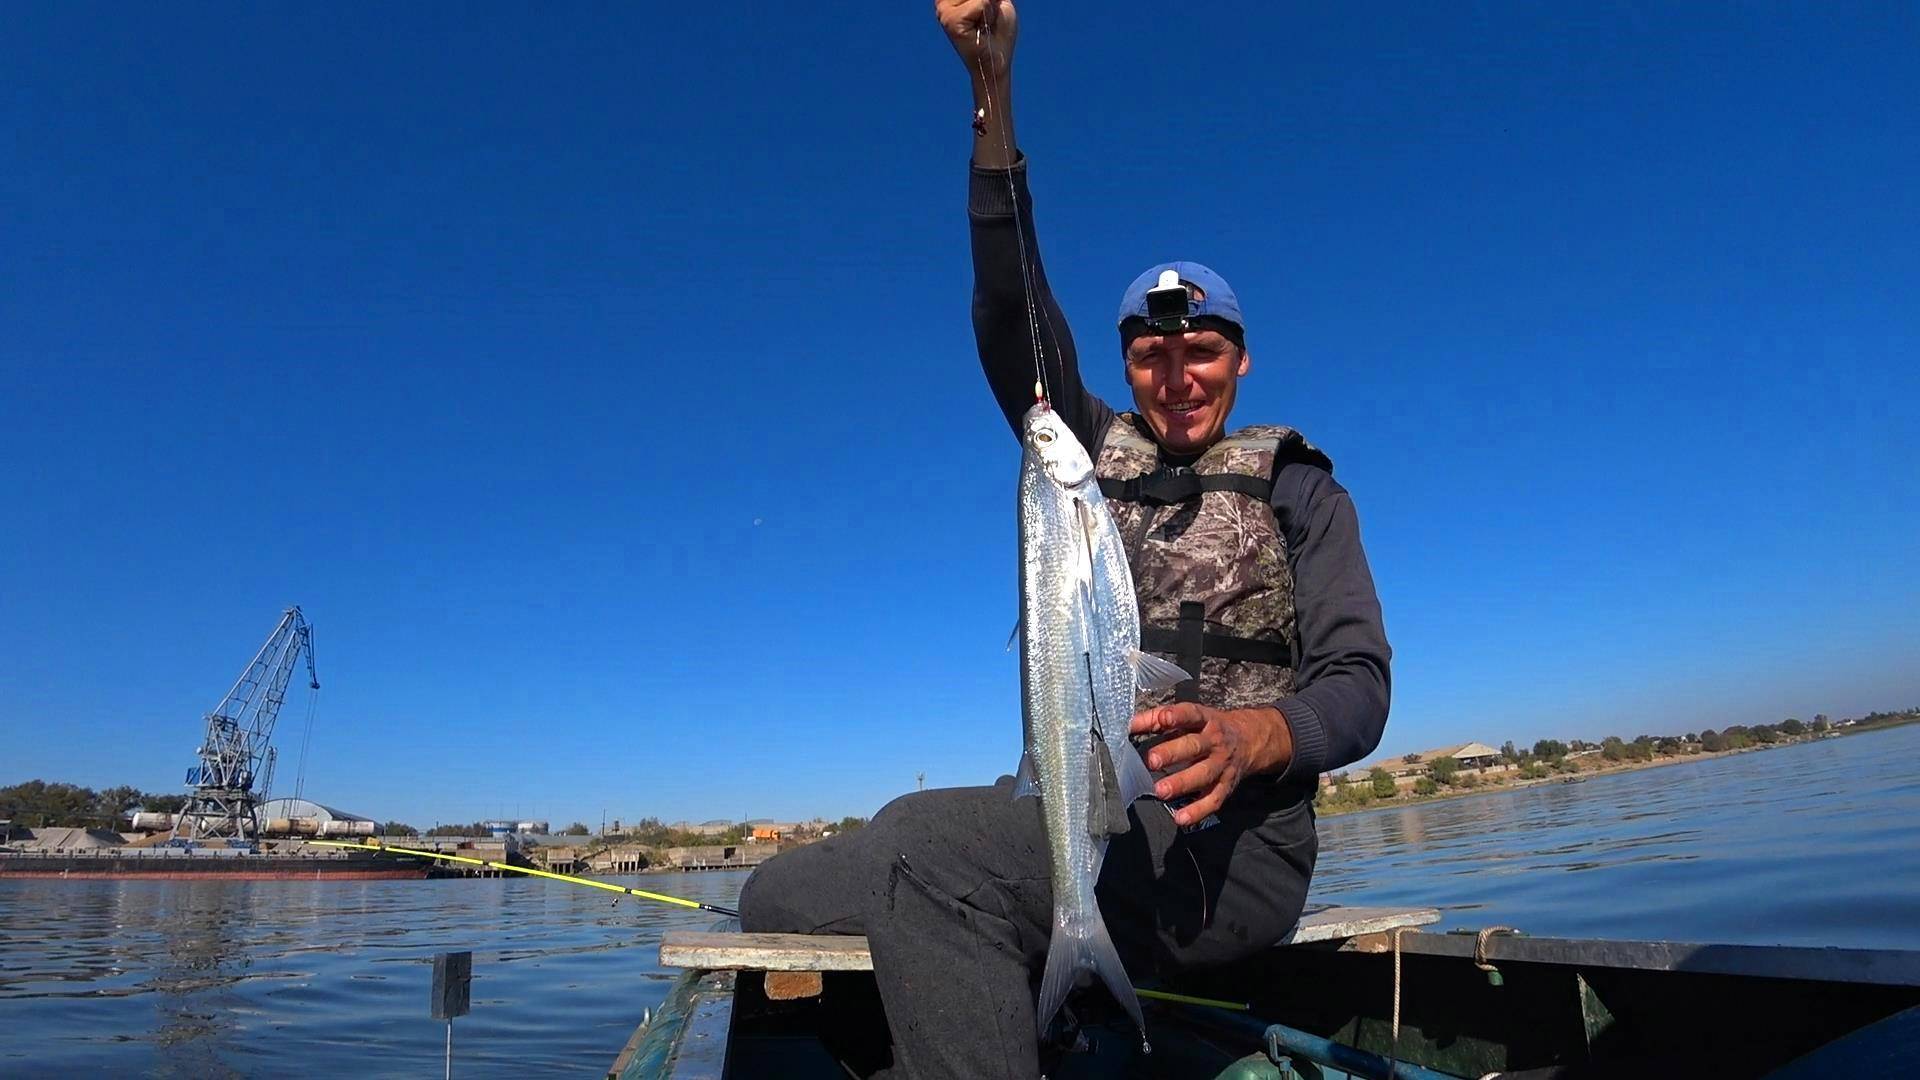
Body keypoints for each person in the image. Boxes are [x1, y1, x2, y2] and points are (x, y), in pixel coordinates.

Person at [737, 3, 1391, 1076]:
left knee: (921, 849)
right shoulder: (1080, 453)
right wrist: (990, 94)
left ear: (1240, 359)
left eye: (1202, 351)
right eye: (1151, 356)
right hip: (1081, 818)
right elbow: (1012, 316)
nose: (1177, 377)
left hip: (1229, 854)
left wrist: (1253, 737)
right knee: (778, 890)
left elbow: (1360, 686)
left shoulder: (1301, 491)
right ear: (1127, 367)